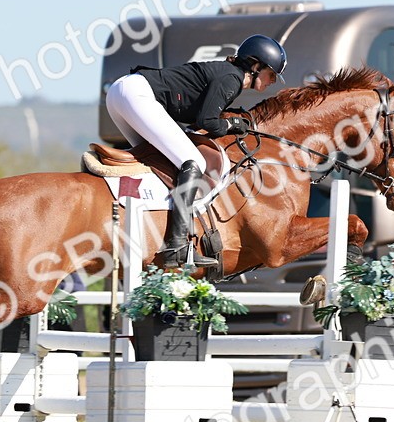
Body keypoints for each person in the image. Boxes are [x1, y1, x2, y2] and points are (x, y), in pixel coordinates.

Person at [105, 34, 287, 267]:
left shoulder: (226, 74)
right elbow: (208, 121)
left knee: (158, 162)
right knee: (193, 162)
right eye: (271, 74)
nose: (272, 80)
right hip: (136, 95)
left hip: (121, 94)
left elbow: (198, 122)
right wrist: (233, 124)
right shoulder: (232, 78)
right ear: (255, 66)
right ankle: (178, 244)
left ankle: (147, 228)